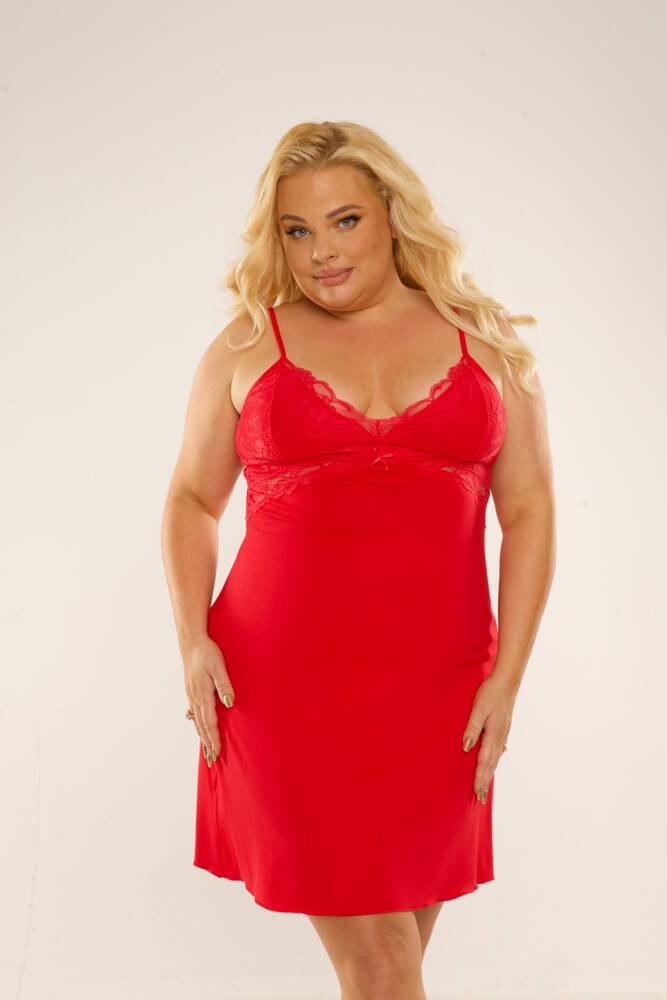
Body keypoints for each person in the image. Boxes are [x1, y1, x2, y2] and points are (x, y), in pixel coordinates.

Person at [161, 120, 556, 1000]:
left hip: (439, 691)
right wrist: (192, 640)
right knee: (380, 959)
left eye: (344, 221)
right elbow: (190, 499)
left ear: (392, 215)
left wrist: (506, 679)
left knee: (393, 956)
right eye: (296, 230)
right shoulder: (247, 344)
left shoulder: (484, 341)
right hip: (280, 683)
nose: (321, 253)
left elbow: (530, 510)